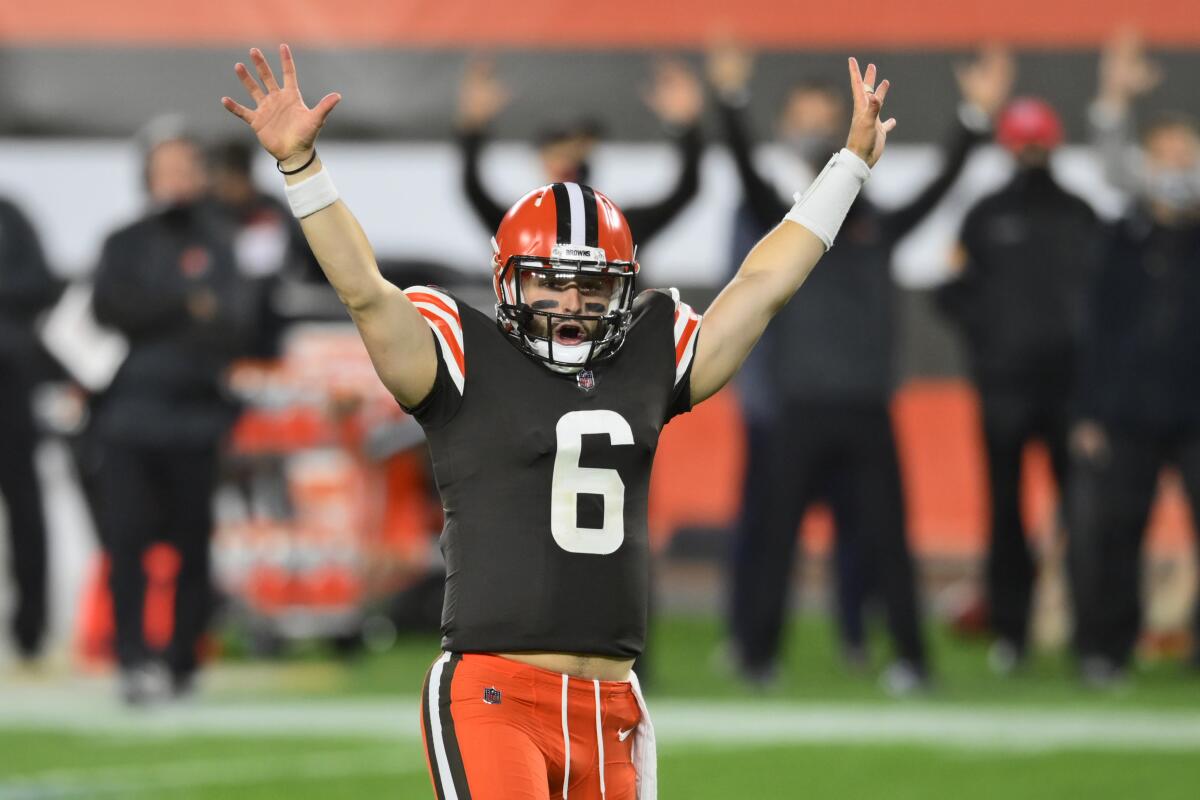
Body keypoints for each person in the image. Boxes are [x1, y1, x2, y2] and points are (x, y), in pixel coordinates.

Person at [223, 44, 896, 798]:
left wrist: (848, 168)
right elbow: (365, 292)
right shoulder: (455, 350)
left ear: (620, 290)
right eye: (549, 283)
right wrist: (302, 169)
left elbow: (763, 284)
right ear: (509, 279)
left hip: (614, 706)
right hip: (495, 696)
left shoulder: (650, 352)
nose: (570, 304)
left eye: (590, 286)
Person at [707, 43, 1012, 690]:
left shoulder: (881, 224)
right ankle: (758, 657)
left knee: (888, 543)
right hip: (799, 407)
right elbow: (743, 172)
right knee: (774, 541)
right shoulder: (786, 225)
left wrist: (974, 120)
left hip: (867, 410)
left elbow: (941, 186)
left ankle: (911, 661)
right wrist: (731, 101)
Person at [91, 129, 259, 703]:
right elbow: (109, 307)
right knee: (128, 542)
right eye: (167, 168)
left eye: (187, 167)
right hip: (130, 417)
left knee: (193, 543)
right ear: (147, 175)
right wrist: (185, 303)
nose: (178, 179)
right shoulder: (123, 241)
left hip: (196, 418)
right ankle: (132, 659)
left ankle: (183, 661)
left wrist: (170, 309)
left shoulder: (219, 239)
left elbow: (234, 319)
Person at [935, 98, 1101, 673]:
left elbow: (1109, 300)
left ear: (1051, 142)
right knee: (1004, 515)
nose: (1031, 149)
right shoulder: (984, 215)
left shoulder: (1082, 214)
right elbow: (949, 289)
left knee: (1085, 517)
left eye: (1038, 139)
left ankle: (1092, 641)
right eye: (1023, 139)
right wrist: (992, 338)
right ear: (1010, 144)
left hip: (1071, 394)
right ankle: (1011, 634)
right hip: (1004, 391)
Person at [1069, 31, 1200, 683]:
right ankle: (1104, 652)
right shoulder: (1122, 234)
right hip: (1128, 413)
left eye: (1188, 156)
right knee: (1116, 537)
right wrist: (1114, 100)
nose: (1178, 167)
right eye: (1166, 156)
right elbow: (1097, 327)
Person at [456, 58, 704, 249]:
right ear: (542, 157)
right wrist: (473, 127)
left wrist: (686, 126)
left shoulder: (617, 228)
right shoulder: (522, 227)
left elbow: (686, 189)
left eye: (577, 148)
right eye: (559, 147)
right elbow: (473, 190)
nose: (567, 157)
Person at [0, 194, 59, 663]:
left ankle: (31, 627)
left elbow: (40, 283)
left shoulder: (10, 216)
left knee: (25, 507)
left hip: (10, 382)